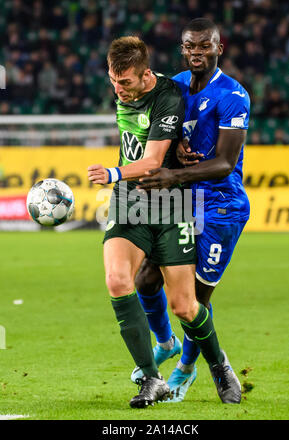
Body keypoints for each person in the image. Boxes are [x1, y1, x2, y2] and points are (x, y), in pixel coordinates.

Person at [87, 36, 227, 408]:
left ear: (146, 74)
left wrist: (113, 172)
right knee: (118, 280)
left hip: (170, 205)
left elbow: (151, 162)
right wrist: (121, 181)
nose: (118, 90)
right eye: (112, 81)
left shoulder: (168, 97)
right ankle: (153, 379)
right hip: (130, 202)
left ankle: (218, 364)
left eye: (126, 83)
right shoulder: (125, 91)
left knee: (185, 305)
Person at [132, 18, 250, 404]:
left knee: (194, 301)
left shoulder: (233, 95)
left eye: (204, 46)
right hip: (182, 201)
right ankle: (164, 343)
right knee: (146, 278)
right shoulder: (174, 85)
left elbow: (225, 163)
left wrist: (171, 176)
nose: (197, 52)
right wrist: (171, 158)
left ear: (219, 47)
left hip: (220, 207)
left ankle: (189, 367)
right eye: (190, 46)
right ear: (182, 48)